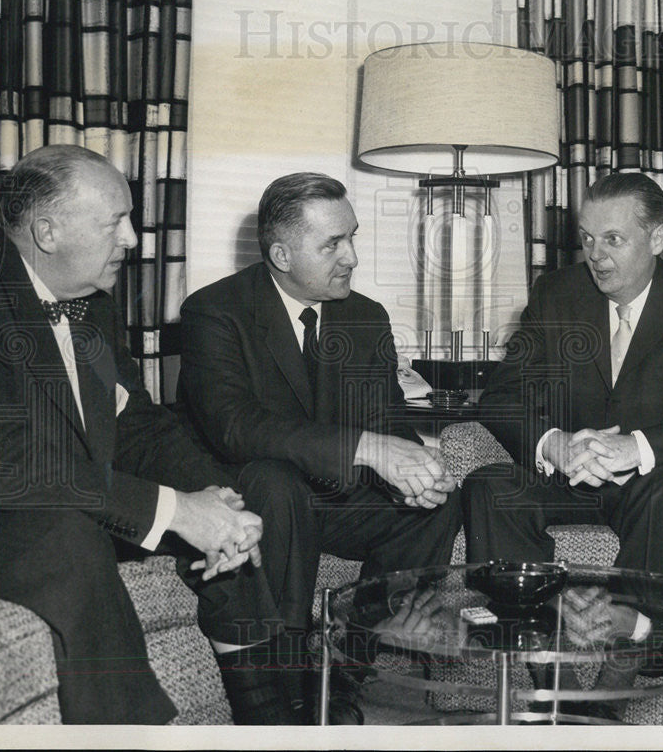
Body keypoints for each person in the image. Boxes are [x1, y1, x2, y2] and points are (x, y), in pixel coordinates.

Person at [0, 145, 312, 725]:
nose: (133, 239)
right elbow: (7, 462)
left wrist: (212, 497)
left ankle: (270, 722)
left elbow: (136, 429)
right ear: (46, 231)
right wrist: (174, 509)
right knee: (68, 538)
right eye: (116, 222)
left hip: (72, 499)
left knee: (230, 506)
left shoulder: (93, 307)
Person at [461, 172, 663, 719]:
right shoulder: (557, 294)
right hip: (570, 477)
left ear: (656, 238)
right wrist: (552, 442)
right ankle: (548, 673)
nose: (596, 255)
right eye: (587, 238)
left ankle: (619, 676)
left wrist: (641, 446)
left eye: (613, 239)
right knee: (491, 485)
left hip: (651, 483)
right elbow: (501, 397)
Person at [177, 172, 463, 723]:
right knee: (278, 483)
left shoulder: (365, 317)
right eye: (332, 244)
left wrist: (416, 465)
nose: (351, 257)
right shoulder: (215, 312)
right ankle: (288, 681)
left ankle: (347, 668)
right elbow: (233, 427)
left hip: (332, 496)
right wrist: (367, 448)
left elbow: (384, 420)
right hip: (259, 496)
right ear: (281, 254)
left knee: (437, 503)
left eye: (351, 236)